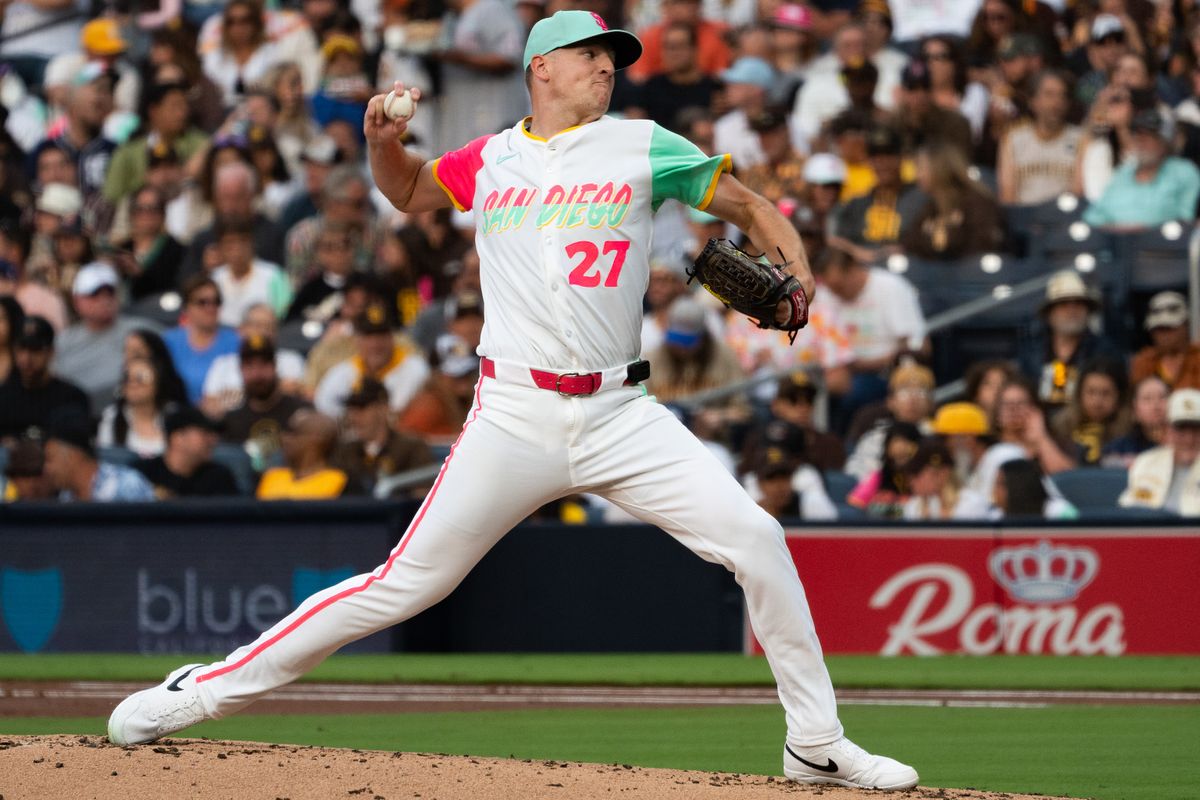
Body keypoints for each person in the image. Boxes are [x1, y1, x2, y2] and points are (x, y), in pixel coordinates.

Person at [107, 12, 919, 791]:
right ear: (542, 67)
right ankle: (202, 690)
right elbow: (408, 193)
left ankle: (814, 745)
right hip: (514, 413)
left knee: (758, 539)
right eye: (590, 53)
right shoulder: (491, 158)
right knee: (403, 586)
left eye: (614, 56)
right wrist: (379, 142)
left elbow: (749, 206)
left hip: (621, 413)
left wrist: (800, 274)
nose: (607, 65)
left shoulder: (642, 143)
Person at [54, 262, 149, 415]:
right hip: (79, 416)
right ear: (77, 300)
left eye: (110, 292)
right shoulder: (63, 341)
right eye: (94, 294)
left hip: (131, 414)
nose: (104, 300)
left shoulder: (142, 331)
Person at [1083, 109, 1200, 230]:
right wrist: (1120, 232)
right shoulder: (1123, 173)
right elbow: (1093, 218)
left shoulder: (1183, 171)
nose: (1141, 141)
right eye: (1137, 135)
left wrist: (1142, 232)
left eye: (1149, 136)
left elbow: (1186, 220)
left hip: (1163, 245)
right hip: (1113, 243)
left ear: (1165, 141)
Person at [314, 302, 431, 418]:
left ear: (392, 337)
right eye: (368, 336)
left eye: (381, 335)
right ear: (357, 340)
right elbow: (323, 405)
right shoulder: (343, 371)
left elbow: (398, 413)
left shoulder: (414, 368)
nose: (375, 344)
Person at [1020, 270, 1114, 409]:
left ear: (1088, 311)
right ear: (1050, 313)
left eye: (1078, 304)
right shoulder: (1032, 352)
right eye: (1064, 304)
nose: (1072, 310)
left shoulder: (1105, 351)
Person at [220, 335, 311, 469]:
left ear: (275, 366)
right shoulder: (232, 420)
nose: (257, 374)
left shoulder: (300, 412)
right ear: (241, 370)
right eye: (249, 366)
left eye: (264, 365)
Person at [901, 143, 1004, 260]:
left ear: (939, 169)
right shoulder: (931, 207)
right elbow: (909, 243)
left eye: (920, 169)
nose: (917, 176)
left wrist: (951, 234)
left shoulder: (978, 203)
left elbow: (983, 247)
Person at [335, 378, 435, 498]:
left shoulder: (411, 448)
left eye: (362, 408)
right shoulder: (345, 451)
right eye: (351, 409)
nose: (353, 417)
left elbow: (423, 496)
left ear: (383, 408)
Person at [201, 307, 306, 417]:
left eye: (269, 326)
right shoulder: (222, 364)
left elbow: (293, 393)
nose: (263, 331)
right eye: (257, 325)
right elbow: (209, 405)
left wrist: (235, 397)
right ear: (241, 329)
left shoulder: (291, 360)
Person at [997, 71, 1081, 206]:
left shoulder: (1081, 139)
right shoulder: (1013, 139)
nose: (1057, 102)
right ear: (1032, 101)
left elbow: (1078, 192)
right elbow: (1007, 194)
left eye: (1062, 95)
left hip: (1063, 218)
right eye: (1049, 94)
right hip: (1024, 219)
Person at [0, 316, 90, 440]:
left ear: (51, 352)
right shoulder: (4, 395)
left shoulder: (71, 397)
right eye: (21, 349)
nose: (26, 358)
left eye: (35, 350)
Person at [1119, 388, 1200, 515]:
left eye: (1196, 430)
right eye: (1181, 429)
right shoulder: (1146, 462)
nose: (1189, 439)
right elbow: (1129, 508)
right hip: (1152, 532)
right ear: (1168, 429)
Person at [163, 276, 242, 405]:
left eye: (216, 301)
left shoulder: (236, 341)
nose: (210, 308)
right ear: (186, 307)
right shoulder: (169, 341)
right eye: (202, 302)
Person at [43, 414, 157, 502]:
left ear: (72, 457)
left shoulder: (126, 484)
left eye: (50, 459)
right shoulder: (66, 496)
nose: (46, 468)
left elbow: (152, 528)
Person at [136, 405, 240, 498]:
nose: (213, 440)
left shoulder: (220, 478)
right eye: (205, 433)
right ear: (178, 438)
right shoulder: (142, 475)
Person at [397, 334, 483, 440]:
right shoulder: (429, 406)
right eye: (456, 374)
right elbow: (402, 440)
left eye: (467, 372)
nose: (463, 378)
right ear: (437, 376)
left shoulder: (469, 401)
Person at [256, 408, 354, 499]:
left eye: (294, 433)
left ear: (317, 441)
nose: (284, 439)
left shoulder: (340, 482)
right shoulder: (272, 476)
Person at [1050, 358, 1130, 466]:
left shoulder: (1130, 432)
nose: (1097, 402)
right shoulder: (1060, 427)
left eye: (1106, 393)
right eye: (1091, 392)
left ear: (1119, 397)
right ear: (1079, 394)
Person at [97, 357, 172, 458]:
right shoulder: (111, 417)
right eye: (126, 377)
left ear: (158, 383)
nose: (132, 383)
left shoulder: (173, 414)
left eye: (141, 377)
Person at [901, 437, 989, 520]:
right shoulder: (914, 506)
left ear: (942, 474)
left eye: (916, 474)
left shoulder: (971, 505)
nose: (911, 482)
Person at [846, 421, 921, 517]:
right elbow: (855, 502)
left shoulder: (921, 478)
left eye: (908, 442)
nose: (902, 447)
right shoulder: (879, 476)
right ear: (887, 446)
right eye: (897, 441)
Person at [1130, 292, 1200, 391]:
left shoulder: (1197, 357)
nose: (1164, 334)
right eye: (1159, 329)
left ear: (1186, 326)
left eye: (1169, 328)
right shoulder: (1142, 362)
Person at [1102, 375, 1170, 468]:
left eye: (1162, 397)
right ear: (1135, 410)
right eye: (1147, 399)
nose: (1156, 405)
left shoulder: (1188, 444)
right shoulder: (1118, 449)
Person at [991, 458, 1078, 519]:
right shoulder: (995, 516)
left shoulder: (1059, 511)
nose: (994, 491)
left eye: (1000, 485)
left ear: (1019, 487)